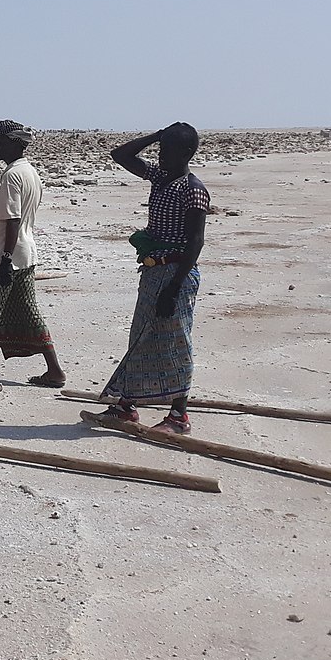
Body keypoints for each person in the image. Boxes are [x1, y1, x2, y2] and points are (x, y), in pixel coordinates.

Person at [98, 123, 210, 433]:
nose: (161, 157)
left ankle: (178, 416)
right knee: (141, 336)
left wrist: (173, 288)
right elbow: (120, 155)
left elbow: (195, 242)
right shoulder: (161, 178)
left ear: (186, 153)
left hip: (177, 274)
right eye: (161, 150)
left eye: (168, 151)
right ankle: (126, 406)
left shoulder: (193, 189)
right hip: (152, 270)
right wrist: (156, 135)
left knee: (175, 341)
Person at [0, 121, 66, 388]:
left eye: (0, 142)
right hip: (27, 251)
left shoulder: (12, 176)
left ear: (13, 144)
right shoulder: (30, 172)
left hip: (9, 254)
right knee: (30, 312)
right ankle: (54, 370)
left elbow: (12, 218)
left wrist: (5, 258)